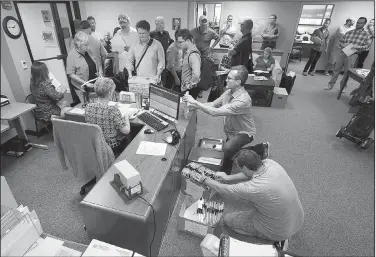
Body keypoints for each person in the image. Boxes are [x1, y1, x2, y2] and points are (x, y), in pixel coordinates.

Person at [198, 149, 304, 245]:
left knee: (228, 219)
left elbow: (224, 189)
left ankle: (271, 239)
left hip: (278, 231)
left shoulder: (252, 188)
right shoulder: (270, 163)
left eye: (240, 168)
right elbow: (250, 173)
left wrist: (205, 180)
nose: (239, 170)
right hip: (298, 219)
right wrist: (228, 177)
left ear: (244, 167)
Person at [183, 65, 257, 174]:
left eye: (229, 78)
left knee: (227, 149)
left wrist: (196, 103)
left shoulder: (243, 100)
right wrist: (196, 106)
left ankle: (225, 172)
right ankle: (255, 150)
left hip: (244, 132)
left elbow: (215, 112)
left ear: (238, 82)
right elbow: (213, 104)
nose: (226, 80)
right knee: (231, 151)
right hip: (231, 131)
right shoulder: (229, 92)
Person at [325, 17, 372, 92]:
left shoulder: (366, 35)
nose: (358, 24)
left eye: (360, 23)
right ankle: (330, 84)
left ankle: (343, 86)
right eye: (358, 22)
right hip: (343, 51)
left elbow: (367, 47)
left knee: (347, 72)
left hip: (353, 53)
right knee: (336, 70)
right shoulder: (349, 32)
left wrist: (355, 47)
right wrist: (343, 45)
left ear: (364, 24)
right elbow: (340, 42)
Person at [85, 77, 130, 156]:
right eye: (113, 91)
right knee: (132, 134)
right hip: (113, 147)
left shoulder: (88, 107)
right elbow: (126, 131)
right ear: (110, 93)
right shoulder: (113, 110)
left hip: (97, 144)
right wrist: (126, 117)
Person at [191, 15, 220, 98]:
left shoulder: (211, 32)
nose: (204, 24)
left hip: (205, 55)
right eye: (202, 22)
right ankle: (194, 88)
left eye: (205, 22)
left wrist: (212, 47)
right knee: (196, 72)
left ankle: (200, 91)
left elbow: (218, 38)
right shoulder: (194, 31)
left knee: (203, 74)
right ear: (199, 22)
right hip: (196, 54)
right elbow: (188, 37)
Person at [66, 31, 101, 102]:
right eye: (85, 45)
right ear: (78, 45)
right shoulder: (72, 56)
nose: (87, 47)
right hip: (82, 87)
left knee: (96, 103)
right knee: (86, 106)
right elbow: (70, 74)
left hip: (94, 84)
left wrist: (100, 72)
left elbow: (97, 62)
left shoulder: (89, 51)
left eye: (88, 44)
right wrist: (86, 83)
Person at [176, 29, 201, 99]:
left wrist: (189, 85)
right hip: (186, 88)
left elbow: (196, 74)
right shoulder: (187, 52)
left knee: (187, 109)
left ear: (188, 41)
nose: (179, 44)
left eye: (181, 42)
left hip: (189, 90)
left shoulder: (193, 54)